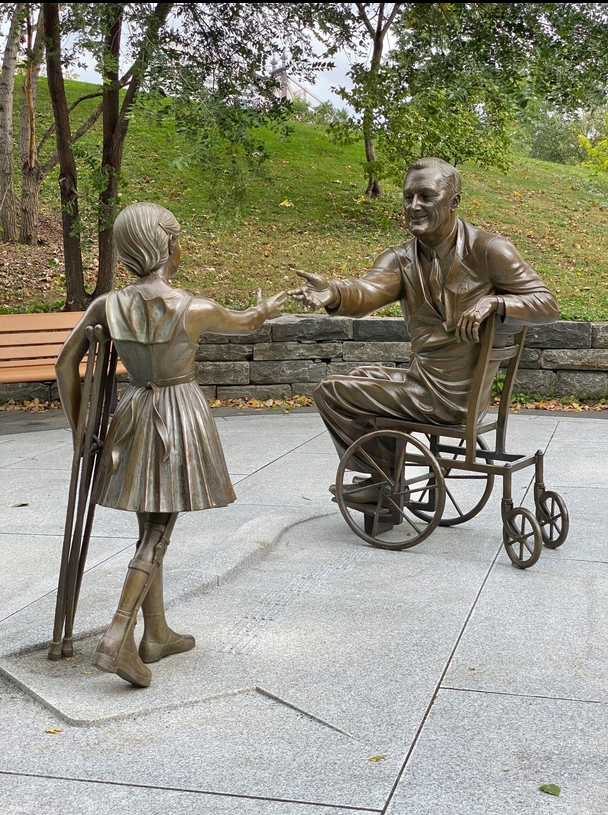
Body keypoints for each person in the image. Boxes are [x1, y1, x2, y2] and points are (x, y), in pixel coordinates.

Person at [56, 202, 285, 687]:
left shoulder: (107, 306)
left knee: (148, 522)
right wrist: (263, 310)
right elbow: (246, 322)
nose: (180, 247)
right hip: (178, 416)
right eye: (176, 238)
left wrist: (81, 431)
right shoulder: (193, 308)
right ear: (163, 246)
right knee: (159, 530)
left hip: (135, 411)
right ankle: (117, 637)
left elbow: (64, 364)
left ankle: (156, 634)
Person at [289, 157, 559, 502]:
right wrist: (335, 291)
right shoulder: (400, 258)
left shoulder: (488, 250)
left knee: (331, 390)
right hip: (423, 383)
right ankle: (386, 478)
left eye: (426, 196)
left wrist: (496, 304)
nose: (413, 206)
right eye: (407, 197)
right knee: (360, 375)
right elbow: (369, 290)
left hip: (448, 399)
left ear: (454, 201)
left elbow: (546, 304)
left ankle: (380, 482)